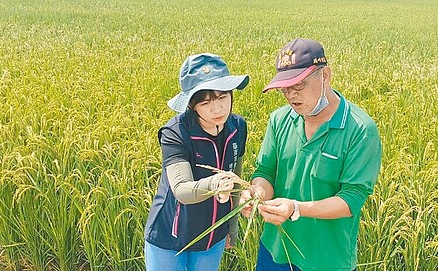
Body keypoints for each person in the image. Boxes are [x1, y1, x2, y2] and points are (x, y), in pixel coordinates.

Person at [240, 38, 382, 271]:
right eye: (285, 88)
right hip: (275, 249)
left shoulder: (360, 129)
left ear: (325, 75)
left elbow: (351, 199)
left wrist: (296, 209)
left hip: (326, 259)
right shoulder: (279, 119)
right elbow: (265, 172)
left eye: (299, 85)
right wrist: (257, 194)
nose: (291, 95)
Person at [144, 53, 249, 271]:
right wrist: (214, 184)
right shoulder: (176, 132)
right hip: (170, 236)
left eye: (222, 98)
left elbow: (236, 178)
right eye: (206, 102)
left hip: (213, 235)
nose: (217, 109)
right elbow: (181, 190)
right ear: (192, 105)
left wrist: (231, 228)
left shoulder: (237, 126)